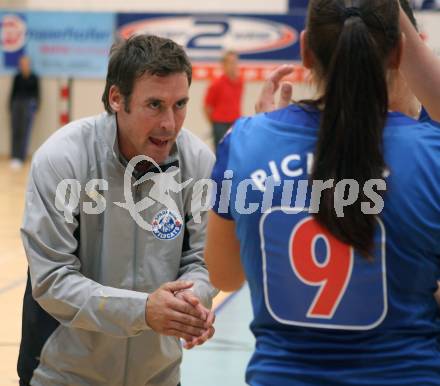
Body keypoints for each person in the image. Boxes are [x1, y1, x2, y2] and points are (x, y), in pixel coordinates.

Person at [205, 0, 440, 385]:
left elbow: (224, 274)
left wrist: (265, 145)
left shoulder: (246, 143)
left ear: (304, 51)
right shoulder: (429, 152)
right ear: (399, 52)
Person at [18, 35, 216, 386]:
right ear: (116, 99)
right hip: (62, 374)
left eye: (180, 104)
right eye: (154, 105)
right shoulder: (64, 159)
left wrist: (189, 303)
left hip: (159, 376)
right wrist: (142, 311)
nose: (170, 123)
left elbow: (202, 262)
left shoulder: (198, 162)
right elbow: (52, 280)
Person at [204, 50, 243, 148]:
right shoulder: (216, 83)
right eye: (230, 63)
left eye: (235, 62)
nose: (234, 65)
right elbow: (207, 107)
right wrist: (215, 124)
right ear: (224, 64)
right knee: (221, 153)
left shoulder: (240, 82)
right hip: (220, 124)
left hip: (235, 123)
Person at [8, 55, 40, 169]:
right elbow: (13, 92)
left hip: (29, 104)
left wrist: (36, 107)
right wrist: (10, 106)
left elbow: (37, 93)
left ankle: (21, 157)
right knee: (15, 130)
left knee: (25, 131)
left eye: (25, 63)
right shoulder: (17, 77)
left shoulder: (34, 77)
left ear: (29, 64)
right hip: (17, 104)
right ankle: (14, 156)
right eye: (22, 64)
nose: (23, 66)